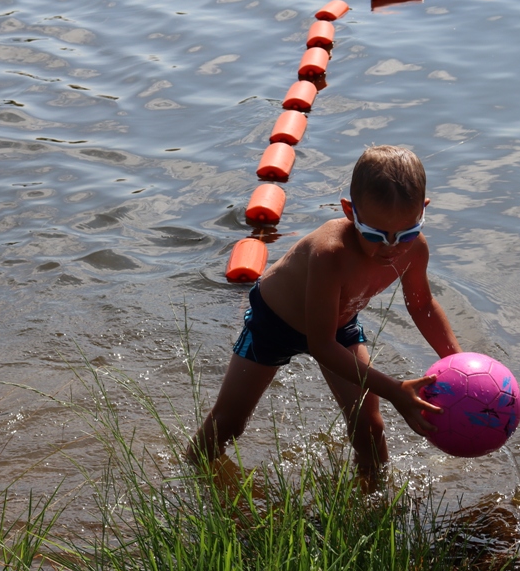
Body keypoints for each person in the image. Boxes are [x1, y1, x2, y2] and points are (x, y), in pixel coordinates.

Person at [187, 144, 462, 478]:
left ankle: (372, 500)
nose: (391, 247)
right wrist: (393, 390)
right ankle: (190, 475)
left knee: (369, 426)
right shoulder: (330, 253)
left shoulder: (414, 250)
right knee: (229, 423)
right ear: (350, 211)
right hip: (274, 323)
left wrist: (459, 364)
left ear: (423, 210)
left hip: (339, 324)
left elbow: (420, 304)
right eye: (375, 234)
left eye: (407, 232)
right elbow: (321, 346)